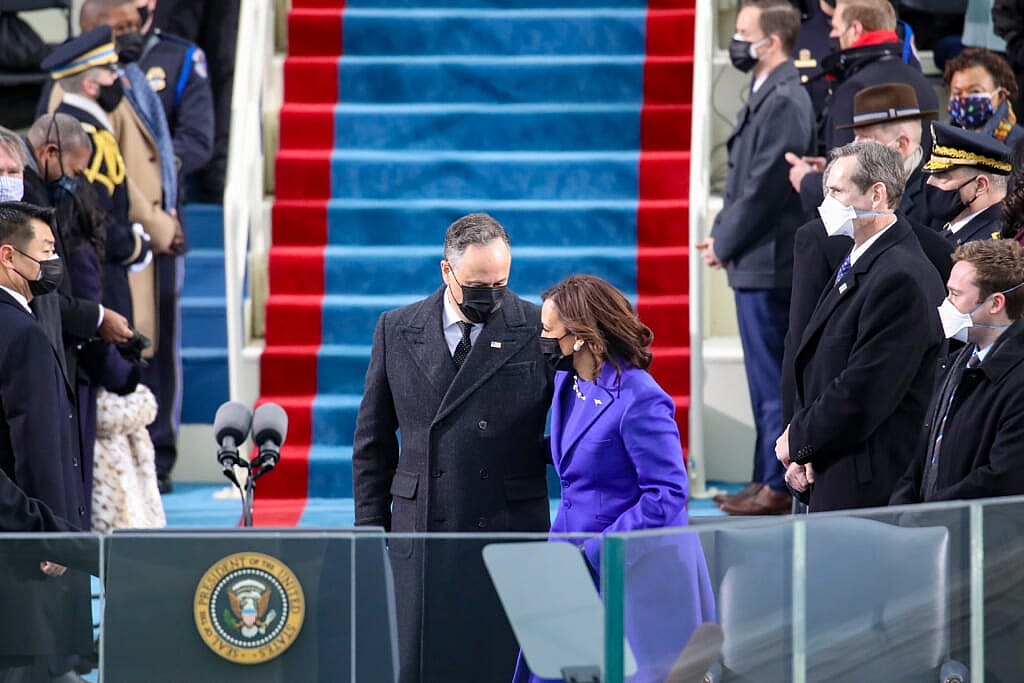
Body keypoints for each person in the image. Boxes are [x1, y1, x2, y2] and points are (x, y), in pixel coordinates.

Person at [352, 213, 553, 683]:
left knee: (500, 663)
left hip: (508, 527)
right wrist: (367, 532)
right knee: (423, 664)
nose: (492, 296)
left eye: (501, 283)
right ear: (447, 272)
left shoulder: (535, 326)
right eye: (478, 284)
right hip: (423, 529)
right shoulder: (396, 329)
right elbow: (372, 442)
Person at [512, 274, 715, 683]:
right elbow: (580, 455)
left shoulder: (641, 399)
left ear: (582, 336)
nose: (543, 340)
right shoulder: (567, 383)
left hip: (625, 568)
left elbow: (668, 493)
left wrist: (600, 551)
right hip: (568, 560)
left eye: (550, 332)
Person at [778, 140, 945, 512]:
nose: (827, 204)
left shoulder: (900, 276)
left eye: (837, 191)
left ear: (877, 195)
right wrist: (803, 454)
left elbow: (863, 391)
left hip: (869, 486)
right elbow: (818, 363)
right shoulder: (859, 260)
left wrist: (800, 438)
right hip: (831, 469)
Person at [697, 0, 814, 516]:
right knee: (760, 380)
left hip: (771, 263)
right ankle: (759, 476)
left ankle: (776, 483)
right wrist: (722, 237)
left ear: (774, 40)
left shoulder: (786, 98)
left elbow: (767, 187)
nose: (738, 41)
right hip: (755, 260)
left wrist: (725, 242)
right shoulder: (766, 91)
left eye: (746, 32)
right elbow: (742, 181)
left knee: (773, 383)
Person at [0, 202, 93, 682]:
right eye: (48, 250)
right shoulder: (22, 333)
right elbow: (35, 444)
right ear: (8, 258)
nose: (54, 262)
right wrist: (54, 539)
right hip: (31, 559)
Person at [891, 239, 1024, 504]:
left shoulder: (1016, 379)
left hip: (980, 536)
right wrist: (904, 507)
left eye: (956, 295)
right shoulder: (956, 363)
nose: (946, 304)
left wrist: (931, 513)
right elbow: (925, 455)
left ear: (995, 303)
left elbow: (1001, 478)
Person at [41, 26, 152, 325]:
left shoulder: (84, 127)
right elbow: (95, 214)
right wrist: (133, 245)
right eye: (110, 72)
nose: (117, 79)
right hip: (97, 276)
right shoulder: (84, 136)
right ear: (91, 85)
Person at [786, 0, 939, 213]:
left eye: (836, 28)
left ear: (855, 29)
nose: (832, 36)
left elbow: (849, 188)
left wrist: (807, 180)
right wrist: (828, 165)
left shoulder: (854, 90)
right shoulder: (921, 83)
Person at [923, 121, 1013, 246]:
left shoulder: (989, 247)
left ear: (980, 185)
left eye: (942, 176)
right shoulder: (960, 223)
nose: (929, 181)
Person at [943, 47, 1024, 149]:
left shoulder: (1019, 144)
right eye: (957, 92)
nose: (964, 98)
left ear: (1000, 95)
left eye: (975, 91)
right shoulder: (939, 140)